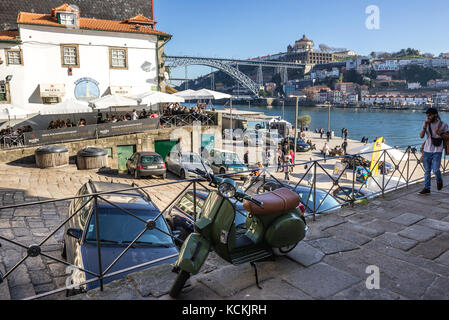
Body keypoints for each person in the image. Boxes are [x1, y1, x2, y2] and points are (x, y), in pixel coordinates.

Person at [418, 107, 448, 195]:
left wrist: (440, 133)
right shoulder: (426, 124)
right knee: (427, 171)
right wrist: (424, 127)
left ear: (435, 115)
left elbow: (448, 137)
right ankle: (427, 188)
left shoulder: (443, 125)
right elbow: (421, 136)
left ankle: (439, 180)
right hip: (427, 150)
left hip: (437, 150)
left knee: (435, 170)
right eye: (427, 115)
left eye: (430, 115)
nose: (428, 117)